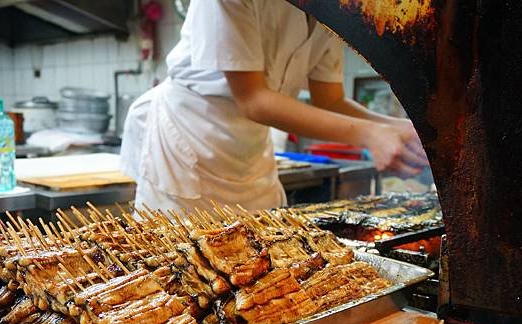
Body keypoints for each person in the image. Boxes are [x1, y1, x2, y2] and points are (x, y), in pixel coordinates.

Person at [120, 0, 428, 212]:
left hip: (252, 152)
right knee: (184, 271)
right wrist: (371, 136)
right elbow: (253, 100)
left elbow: (329, 100)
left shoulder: (329, 11)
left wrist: (404, 129)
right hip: (188, 141)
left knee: (260, 264)